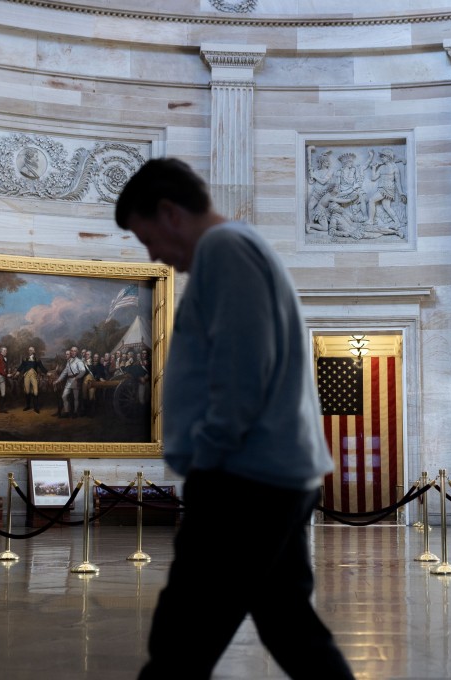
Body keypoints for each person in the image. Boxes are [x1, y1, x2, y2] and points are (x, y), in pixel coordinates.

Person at [115, 157, 354, 680]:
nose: (152, 253)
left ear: (170, 213)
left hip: (244, 478)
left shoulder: (225, 250)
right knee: (287, 624)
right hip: (265, 473)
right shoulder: (236, 250)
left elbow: (243, 370)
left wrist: (208, 457)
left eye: (145, 237)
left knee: (181, 639)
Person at [54, 345, 87, 418]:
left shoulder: (79, 361)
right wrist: (58, 380)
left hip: (76, 380)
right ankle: (66, 411)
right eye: (72, 351)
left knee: (75, 398)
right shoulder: (69, 362)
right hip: (69, 381)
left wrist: (77, 377)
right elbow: (64, 372)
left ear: (77, 352)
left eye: (75, 351)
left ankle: (75, 412)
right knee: (64, 396)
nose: (73, 352)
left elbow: (83, 371)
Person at [17, 346, 48, 413]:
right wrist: (17, 372)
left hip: (34, 376)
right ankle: (28, 406)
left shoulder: (37, 360)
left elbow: (42, 367)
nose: (30, 351)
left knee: (35, 391)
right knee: (27, 391)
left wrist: (47, 372)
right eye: (29, 350)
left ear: (34, 351)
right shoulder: (25, 359)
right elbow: (21, 366)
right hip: (26, 376)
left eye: (31, 350)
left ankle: (36, 407)